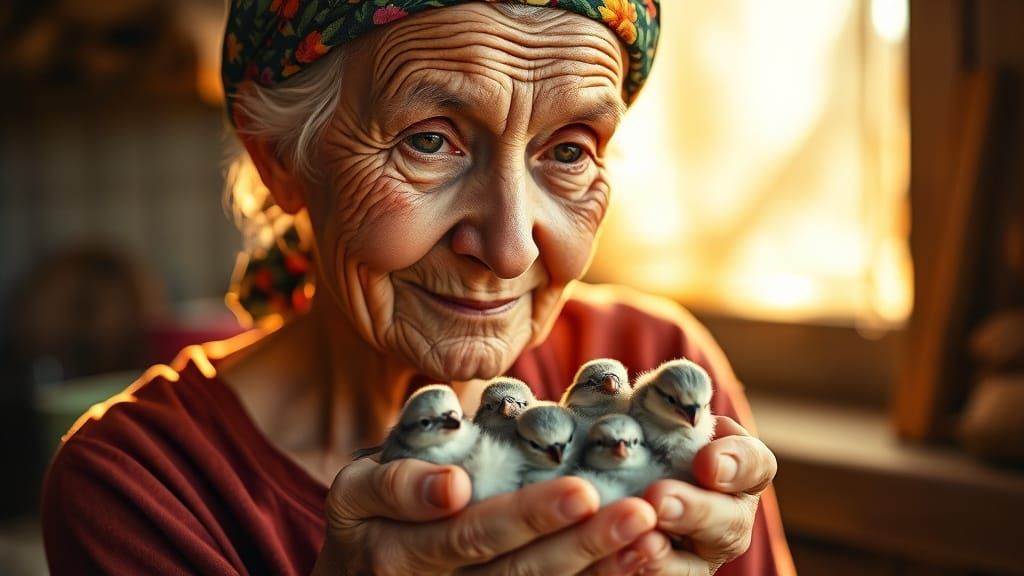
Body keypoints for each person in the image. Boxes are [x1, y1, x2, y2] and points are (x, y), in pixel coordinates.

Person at [42, 1, 794, 574]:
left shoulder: (653, 368)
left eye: (569, 151)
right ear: (279, 159)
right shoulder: (145, 483)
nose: (507, 250)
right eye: (429, 141)